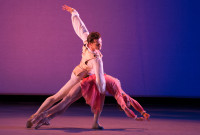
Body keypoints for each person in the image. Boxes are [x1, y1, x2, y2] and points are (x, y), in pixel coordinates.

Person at [26, 5, 106, 128]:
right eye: (98, 44)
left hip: (78, 76)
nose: (100, 45)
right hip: (81, 80)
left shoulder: (86, 41)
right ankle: (38, 116)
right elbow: (100, 78)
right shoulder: (96, 60)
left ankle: (37, 116)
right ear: (91, 44)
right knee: (62, 99)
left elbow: (81, 28)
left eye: (100, 43)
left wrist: (74, 12)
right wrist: (102, 89)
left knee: (62, 100)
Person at [31, 74, 150, 130]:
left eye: (127, 103)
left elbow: (126, 108)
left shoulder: (119, 97)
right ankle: (43, 115)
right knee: (67, 101)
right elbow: (134, 103)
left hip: (92, 84)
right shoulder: (124, 94)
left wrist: (134, 117)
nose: (128, 101)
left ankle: (46, 117)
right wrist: (143, 112)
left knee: (67, 102)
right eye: (129, 101)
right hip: (90, 82)